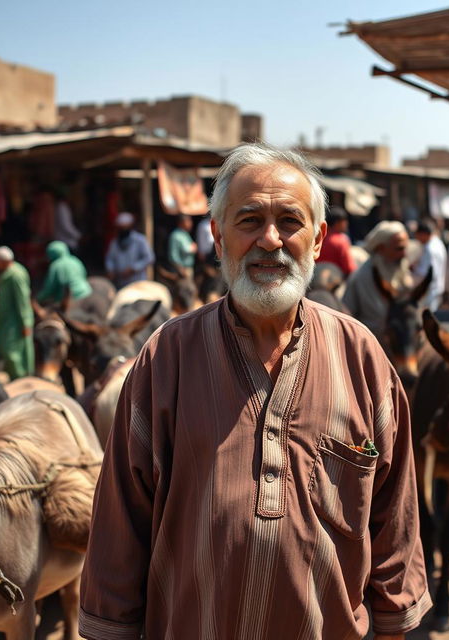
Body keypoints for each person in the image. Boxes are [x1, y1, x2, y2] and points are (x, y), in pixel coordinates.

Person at [79, 143, 430, 640]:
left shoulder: (362, 357)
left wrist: (394, 625)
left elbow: (395, 520)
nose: (270, 240)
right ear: (218, 239)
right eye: (248, 221)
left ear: (317, 240)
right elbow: (119, 527)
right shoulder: (167, 358)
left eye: (290, 221)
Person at [342, 220, 414, 343]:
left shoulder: (400, 271)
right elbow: (346, 319)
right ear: (381, 248)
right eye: (399, 248)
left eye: (405, 248)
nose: (404, 254)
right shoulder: (361, 278)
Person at [0, 246, 34, 380]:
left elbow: (22, 300)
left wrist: (25, 322)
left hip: (14, 321)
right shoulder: (6, 274)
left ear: (2, 261)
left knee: (12, 352)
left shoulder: (16, 276)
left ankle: (20, 378)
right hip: (4, 320)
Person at [105, 212, 155, 289]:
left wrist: (133, 268)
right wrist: (110, 270)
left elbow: (149, 258)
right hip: (120, 283)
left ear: (130, 227)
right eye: (120, 228)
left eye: (125, 227)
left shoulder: (140, 240)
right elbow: (109, 259)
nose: (122, 230)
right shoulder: (115, 242)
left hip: (138, 283)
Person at [36, 240, 92, 305]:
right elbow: (84, 275)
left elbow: (49, 289)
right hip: (86, 293)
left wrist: (38, 299)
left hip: (70, 299)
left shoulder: (55, 266)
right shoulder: (75, 260)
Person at [316, 205, 357, 276]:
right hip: (333, 280)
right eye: (345, 222)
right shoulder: (341, 240)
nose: (346, 224)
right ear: (338, 223)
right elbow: (349, 268)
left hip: (314, 277)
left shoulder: (317, 237)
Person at [167, 214, 197, 279]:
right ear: (181, 222)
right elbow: (173, 255)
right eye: (188, 221)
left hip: (188, 268)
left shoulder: (185, 234)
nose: (190, 223)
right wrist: (180, 269)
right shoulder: (176, 235)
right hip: (181, 270)